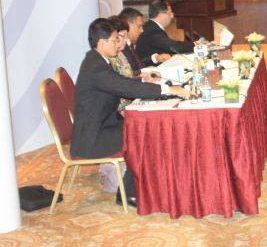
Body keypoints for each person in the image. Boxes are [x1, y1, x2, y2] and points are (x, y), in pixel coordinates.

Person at [70, 18, 189, 207]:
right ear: (102, 43)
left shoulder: (97, 60)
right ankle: (129, 192)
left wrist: (145, 82)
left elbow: (120, 82)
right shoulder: (95, 67)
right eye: (115, 40)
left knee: (143, 126)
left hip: (103, 126)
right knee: (142, 132)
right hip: (93, 138)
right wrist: (167, 90)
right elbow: (123, 87)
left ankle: (150, 184)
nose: (119, 44)